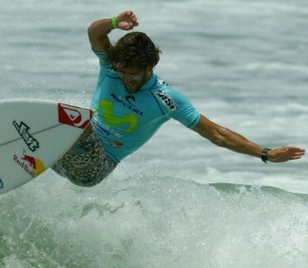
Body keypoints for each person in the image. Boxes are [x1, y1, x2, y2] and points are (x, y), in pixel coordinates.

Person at [51, 11, 305, 187]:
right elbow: (94, 33)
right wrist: (115, 21)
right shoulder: (112, 67)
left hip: (95, 168)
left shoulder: (166, 99)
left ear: (149, 67)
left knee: (75, 119)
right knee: (61, 116)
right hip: (64, 155)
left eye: (133, 75)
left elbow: (217, 133)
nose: (126, 80)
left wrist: (265, 153)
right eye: (123, 72)